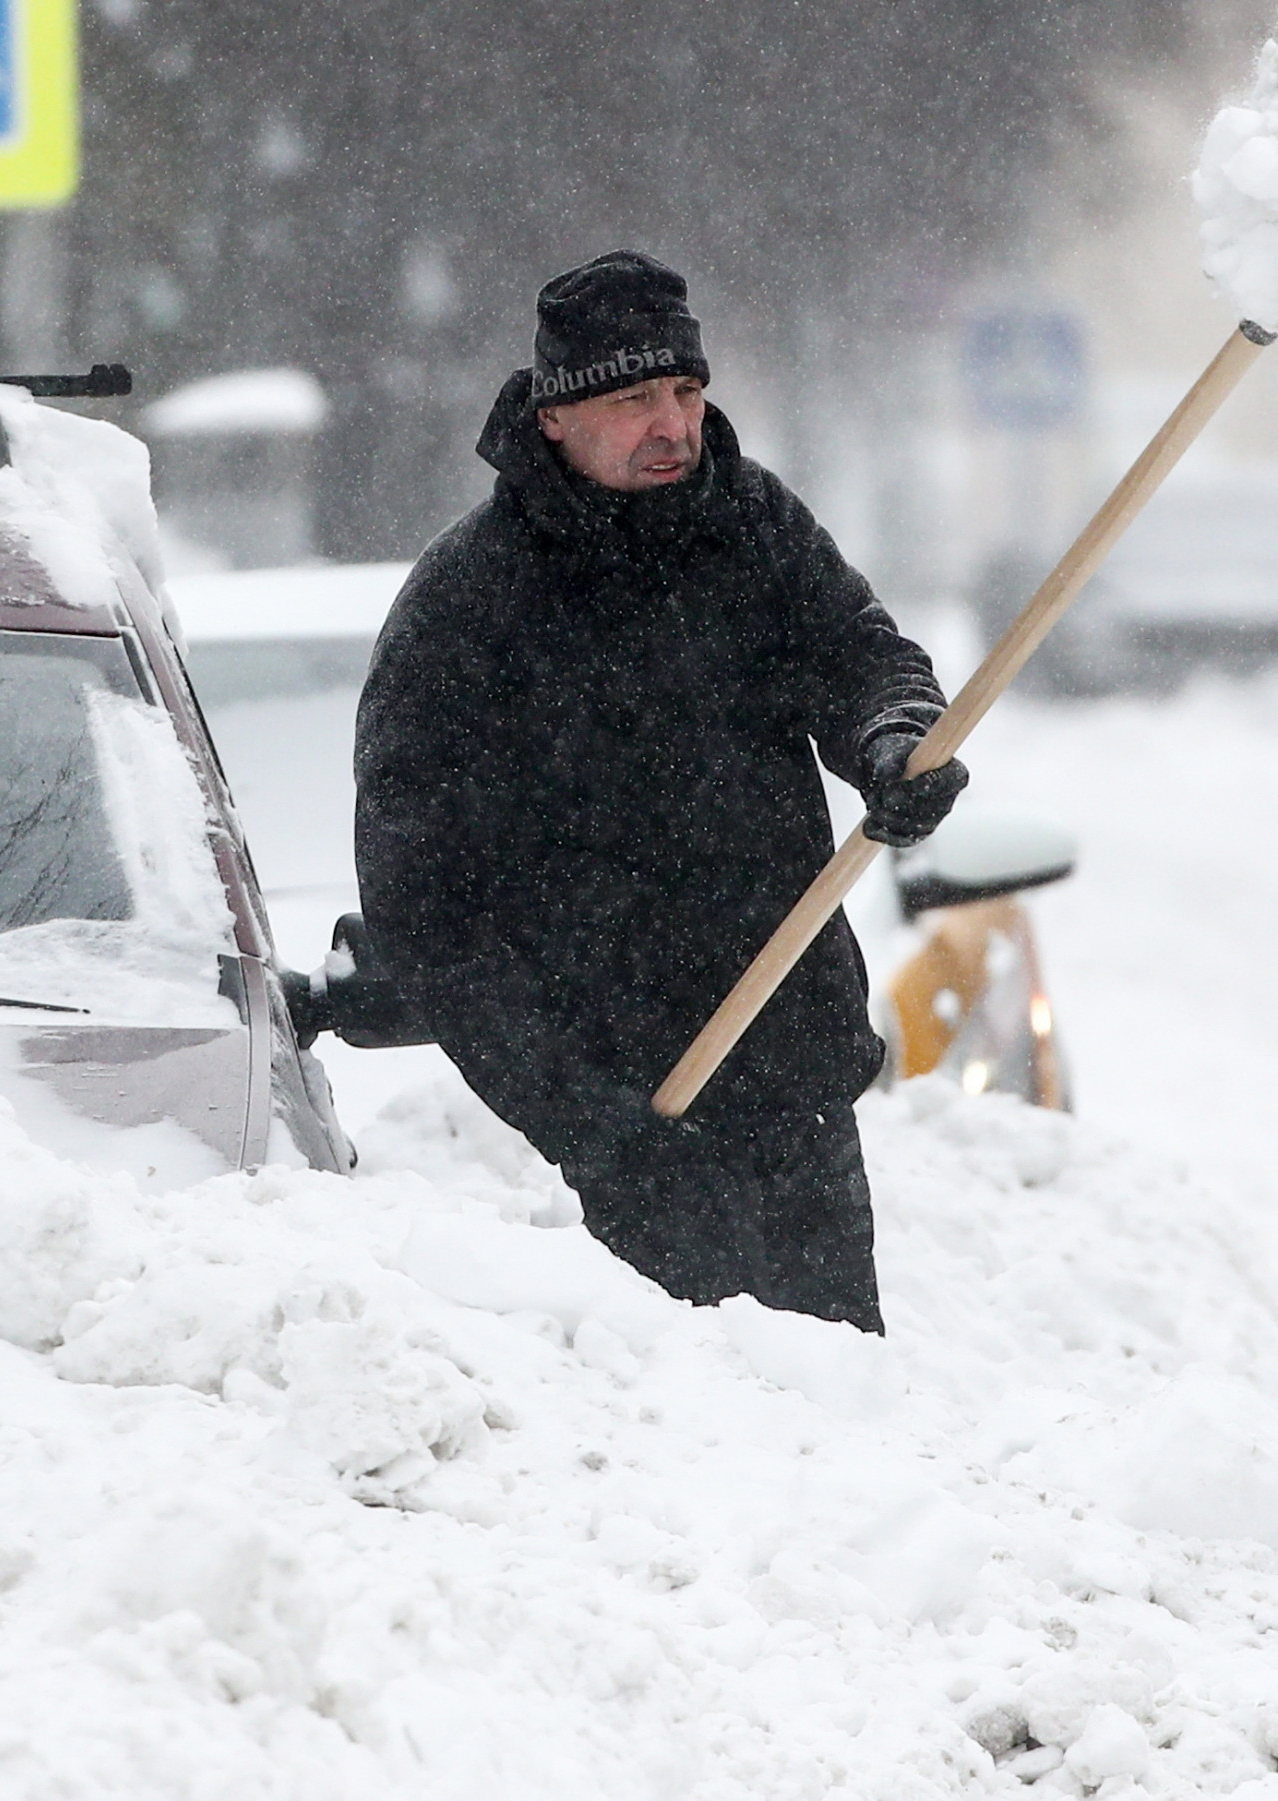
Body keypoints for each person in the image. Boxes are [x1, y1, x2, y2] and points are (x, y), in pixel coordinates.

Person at [351, 250, 965, 1333]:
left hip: (786, 1077)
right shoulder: (466, 606)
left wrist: (890, 740)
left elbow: (857, 653)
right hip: (624, 1109)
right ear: (553, 417)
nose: (671, 424)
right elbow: (427, 910)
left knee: (842, 1423)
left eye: (685, 392)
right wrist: (587, 1119)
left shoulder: (751, 528)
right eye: (633, 398)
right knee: (671, 1452)